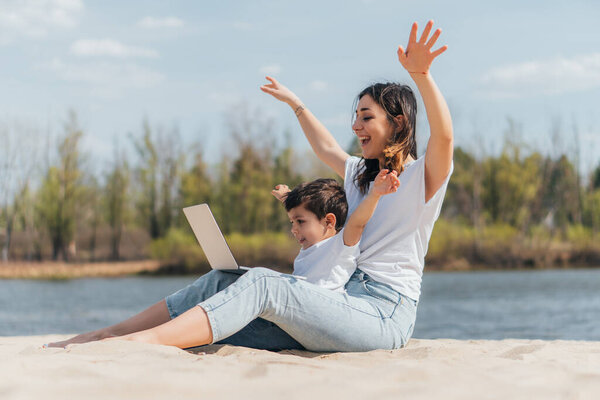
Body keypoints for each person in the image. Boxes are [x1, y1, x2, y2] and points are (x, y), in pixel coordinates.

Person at [48, 20, 453, 352]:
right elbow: (326, 145)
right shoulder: (359, 174)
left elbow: (445, 140)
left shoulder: (421, 178)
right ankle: (106, 336)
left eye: (366, 117)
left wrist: (421, 77)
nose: (355, 126)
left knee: (261, 283)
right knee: (224, 282)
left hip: (382, 314)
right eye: (356, 116)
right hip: (338, 302)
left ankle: (142, 345)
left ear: (397, 122)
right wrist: (296, 103)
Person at [273, 172, 400, 292]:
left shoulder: (340, 245)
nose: (293, 230)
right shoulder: (311, 245)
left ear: (329, 222)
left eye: (300, 222)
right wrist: (287, 197)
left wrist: (374, 194)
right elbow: (301, 209)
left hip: (322, 304)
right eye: (292, 222)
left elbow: (357, 223)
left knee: (263, 279)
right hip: (299, 299)